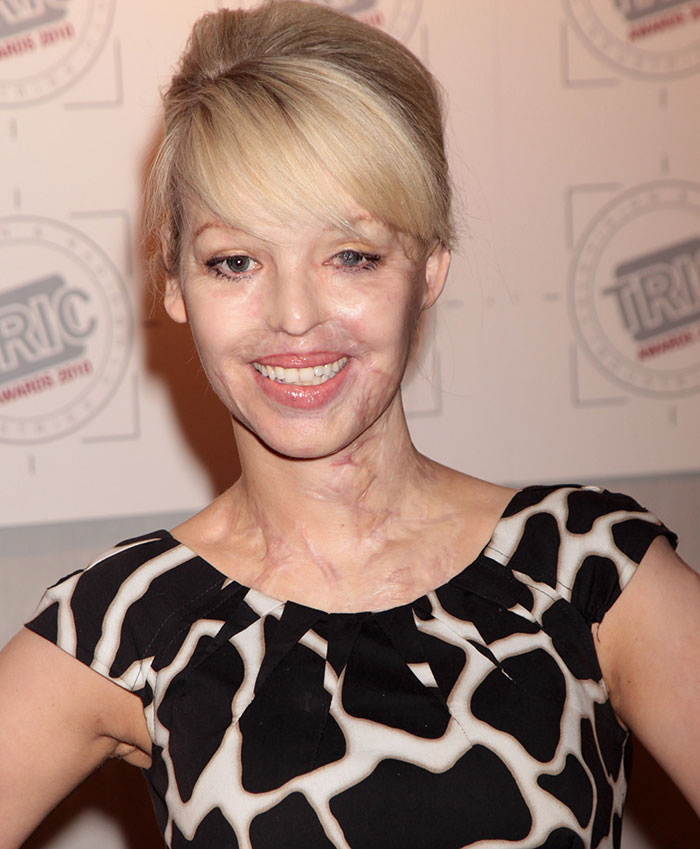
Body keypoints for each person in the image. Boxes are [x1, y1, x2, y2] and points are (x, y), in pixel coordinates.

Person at [1, 2, 699, 848]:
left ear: (430, 265)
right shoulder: (130, 621)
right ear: (175, 285)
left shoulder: (589, 571)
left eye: (352, 256)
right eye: (236, 261)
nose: (294, 316)